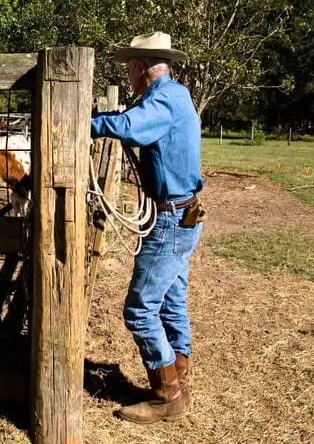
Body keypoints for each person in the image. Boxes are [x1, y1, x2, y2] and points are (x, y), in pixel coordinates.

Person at [91, 32, 205, 424]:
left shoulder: (160, 100)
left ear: (141, 67)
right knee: (172, 301)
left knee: (140, 310)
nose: (128, 75)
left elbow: (132, 127)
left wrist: (88, 122)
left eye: (129, 67)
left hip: (171, 217)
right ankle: (179, 378)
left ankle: (167, 395)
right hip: (184, 212)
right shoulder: (180, 94)